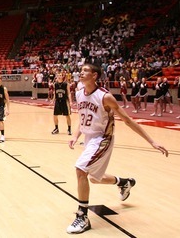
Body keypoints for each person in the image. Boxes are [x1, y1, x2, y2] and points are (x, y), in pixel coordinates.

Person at [66, 64, 168, 234]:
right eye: (81, 70)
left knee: (80, 170)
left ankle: (82, 216)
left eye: (85, 71)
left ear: (95, 75)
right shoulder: (79, 93)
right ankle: (124, 182)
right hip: (89, 138)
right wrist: (75, 136)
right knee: (93, 179)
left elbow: (128, 120)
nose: (80, 72)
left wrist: (152, 142)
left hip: (102, 139)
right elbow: (81, 117)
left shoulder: (105, 97)